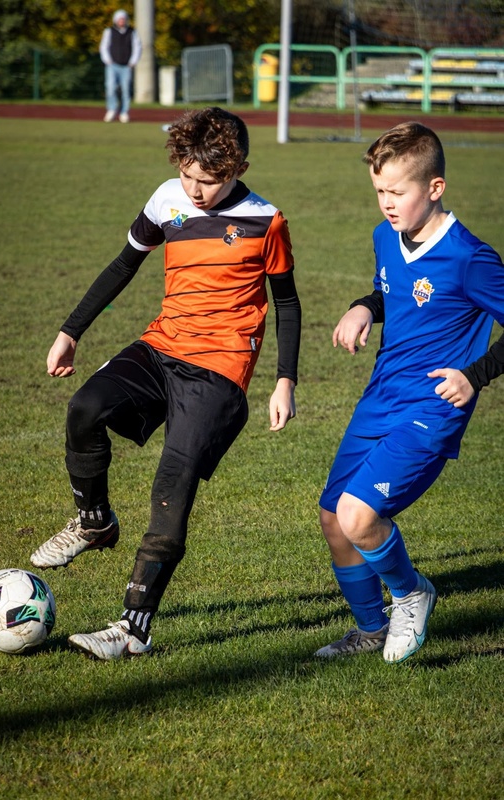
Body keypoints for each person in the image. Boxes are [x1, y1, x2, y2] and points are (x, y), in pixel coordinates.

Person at [30, 107, 301, 660]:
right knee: (85, 407)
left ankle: (133, 629)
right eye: (188, 176)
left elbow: (288, 302)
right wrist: (70, 331)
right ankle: (94, 522)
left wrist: (284, 380)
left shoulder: (265, 220)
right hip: (161, 347)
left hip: (220, 372)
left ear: (237, 168)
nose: (196, 191)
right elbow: (124, 264)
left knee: (170, 491)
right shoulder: (165, 199)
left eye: (210, 180)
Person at [316, 121, 504, 664]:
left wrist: (477, 373)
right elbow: (387, 289)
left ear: (436, 188)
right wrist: (363, 307)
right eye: (380, 191)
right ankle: (371, 629)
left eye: (398, 192)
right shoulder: (384, 237)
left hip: (432, 407)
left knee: (358, 515)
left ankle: (412, 593)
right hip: (380, 397)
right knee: (333, 518)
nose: (387, 204)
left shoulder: (470, 257)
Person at [99, 9, 142, 123]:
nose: (122, 21)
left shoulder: (132, 32)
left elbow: (137, 47)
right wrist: (107, 60)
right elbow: (104, 46)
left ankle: (124, 112)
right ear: (116, 20)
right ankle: (112, 110)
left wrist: (133, 61)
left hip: (126, 66)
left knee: (126, 89)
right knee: (110, 88)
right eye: (119, 19)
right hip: (112, 65)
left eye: (123, 19)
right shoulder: (109, 31)